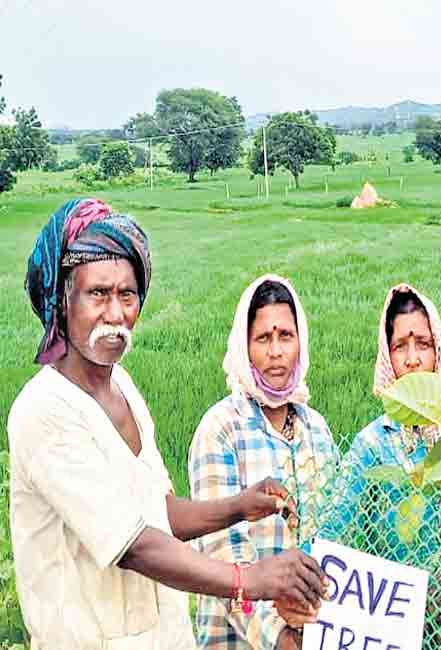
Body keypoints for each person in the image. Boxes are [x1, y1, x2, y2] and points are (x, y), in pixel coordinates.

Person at [7, 199, 325, 650]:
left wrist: (239, 506)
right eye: (98, 294)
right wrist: (249, 579)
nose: (115, 314)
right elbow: (135, 545)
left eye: (128, 295)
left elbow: (158, 512)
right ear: (62, 300)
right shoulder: (45, 411)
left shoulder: (124, 389)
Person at [286, 284, 441, 650]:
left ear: (438, 350)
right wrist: (295, 582)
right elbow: (332, 531)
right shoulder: (373, 447)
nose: (413, 359)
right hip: (399, 635)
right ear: (388, 357)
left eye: (423, 343)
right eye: (400, 346)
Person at [189, 275, 338, 650]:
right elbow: (224, 556)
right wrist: (281, 638)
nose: (275, 351)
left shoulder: (316, 429)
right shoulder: (221, 429)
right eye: (263, 338)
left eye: (285, 336)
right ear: (245, 346)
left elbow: (335, 534)